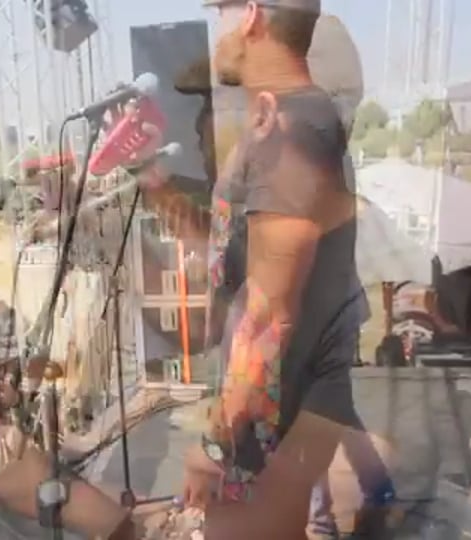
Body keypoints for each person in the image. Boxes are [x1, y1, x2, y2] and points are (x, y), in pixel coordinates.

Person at [137, 2, 380, 537]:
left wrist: (215, 444)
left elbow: (271, 313)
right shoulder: (280, 122)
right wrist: (150, 180)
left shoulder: (294, 129)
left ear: (250, 15)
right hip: (267, 412)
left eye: (221, 14)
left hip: (275, 416)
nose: (218, 33)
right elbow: (226, 250)